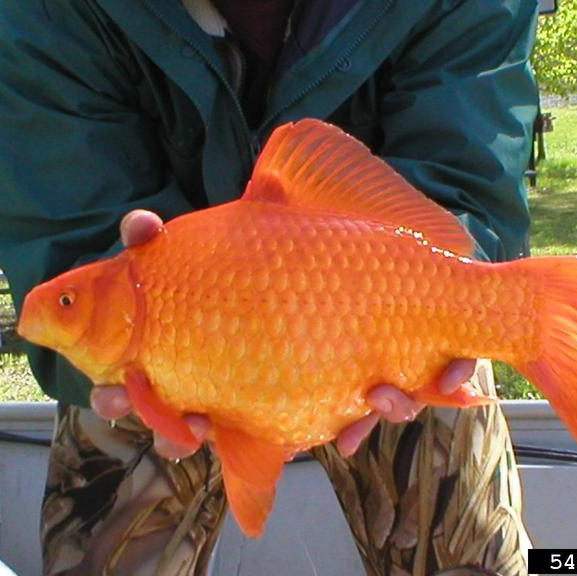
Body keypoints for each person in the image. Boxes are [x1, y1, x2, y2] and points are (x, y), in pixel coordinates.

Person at [0, 0, 538, 574]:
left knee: (469, 540)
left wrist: (443, 302)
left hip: (379, 314)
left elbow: (467, 185)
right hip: (164, 322)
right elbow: (68, 230)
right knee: (119, 399)